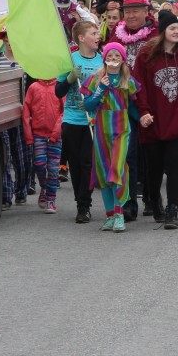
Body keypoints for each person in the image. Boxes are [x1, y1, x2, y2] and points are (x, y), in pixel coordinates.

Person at [133, 10, 178, 229]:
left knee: (174, 167)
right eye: (172, 28)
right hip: (152, 121)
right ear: (162, 31)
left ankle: (173, 208)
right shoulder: (145, 55)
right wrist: (143, 112)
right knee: (153, 170)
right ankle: (155, 201)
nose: (176, 32)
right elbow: (138, 87)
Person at [109, 0, 158, 221]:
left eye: (136, 11)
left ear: (146, 12)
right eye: (127, 11)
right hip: (123, 104)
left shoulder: (156, 35)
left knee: (150, 154)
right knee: (127, 155)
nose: (131, 15)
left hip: (150, 102)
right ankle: (129, 203)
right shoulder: (115, 35)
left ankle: (151, 197)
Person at [81, 42, 140, 232]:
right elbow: (88, 106)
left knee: (118, 171)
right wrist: (100, 90)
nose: (113, 59)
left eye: (117, 56)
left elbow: (134, 107)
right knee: (104, 174)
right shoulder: (95, 78)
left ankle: (119, 214)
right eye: (110, 55)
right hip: (101, 131)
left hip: (122, 130)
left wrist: (144, 119)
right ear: (105, 58)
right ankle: (109, 216)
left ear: (122, 60)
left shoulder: (128, 81)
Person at [55, 20, 103, 223]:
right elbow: (58, 92)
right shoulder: (70, 60)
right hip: (72, 120)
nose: (98, 36)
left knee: (87, 164)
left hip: (93, 121)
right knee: (75, 165)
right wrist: (68, 78)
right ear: (82, 38)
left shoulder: (102, 61)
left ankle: (85, 206)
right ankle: (79, 201)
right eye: (93, 33)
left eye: (98, 33)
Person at [0, 28, 33, 207]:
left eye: (12, 37)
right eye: (6, 38)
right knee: (5, 155)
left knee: (22, 157)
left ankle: (21, 189)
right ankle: (6, 196)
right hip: (1, 115)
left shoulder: (27, 62)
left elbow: (32, 87)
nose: (9, 41)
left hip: (22, 115)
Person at [22, 78, 64, 213]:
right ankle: (44, 187)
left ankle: (51, 199)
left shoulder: (59, 87)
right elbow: (26, 111)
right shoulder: (34, 87)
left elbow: (64, 111)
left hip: (55, 136)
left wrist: (56, 132)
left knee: (53, 168)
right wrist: (29, 136)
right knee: (39, 164)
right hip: (38, 134)